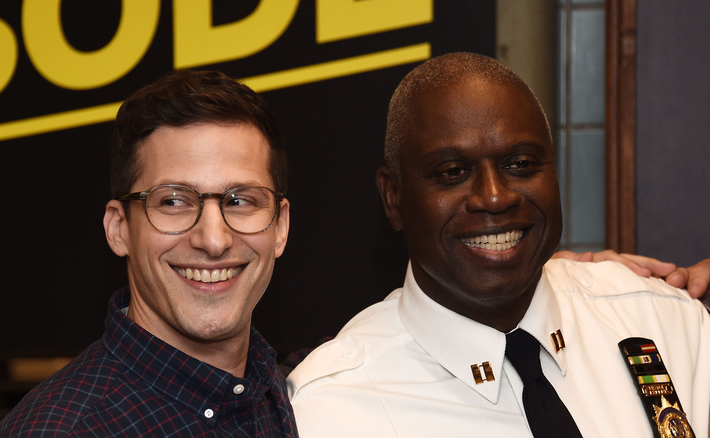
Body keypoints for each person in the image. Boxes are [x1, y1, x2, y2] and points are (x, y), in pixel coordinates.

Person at [287, 52, 710, 437]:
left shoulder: (664, 322)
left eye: (521, 164)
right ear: (393, 197)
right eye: (452, 171)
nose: (494, 196)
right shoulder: (333, 409)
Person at [0, 70, 296, 437]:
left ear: (280, 226)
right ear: (119, 229)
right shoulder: (62, 431)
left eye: (241, 200)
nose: (214, 240)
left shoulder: (289, 393)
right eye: (174, 201)